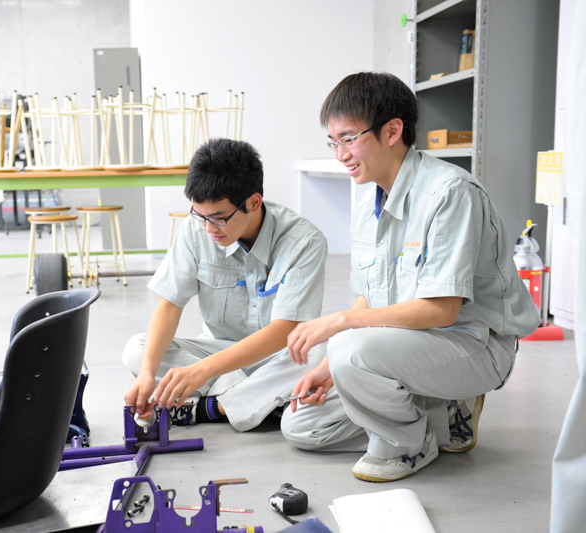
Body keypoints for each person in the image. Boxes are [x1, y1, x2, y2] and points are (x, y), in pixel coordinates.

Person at [281, 72, 540, 482]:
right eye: (333, 142)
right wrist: (329, 368)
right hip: (410, 347)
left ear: (392, 131)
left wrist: (342, 327)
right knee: (301, 425)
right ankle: (441, 416)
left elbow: (441, 311)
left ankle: (409, 445)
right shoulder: (367, 206)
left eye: (349, 139)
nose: (340, 155)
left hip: (472, 345)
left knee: (348, 346)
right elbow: (368, 298)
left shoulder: (450, 193)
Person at [122, 138, 327, 432]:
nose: (208, 228)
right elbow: (170, 305)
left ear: (253, 202)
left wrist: (201, 372)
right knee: (137, 349)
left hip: (277, 356)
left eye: (218, 218)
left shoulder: (304, 242)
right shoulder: (195, 230)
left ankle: (210, 408)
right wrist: (146, 373)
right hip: (219, 354)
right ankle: (259, 402)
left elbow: (286, 330)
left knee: (319, 353)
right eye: (200, 216)